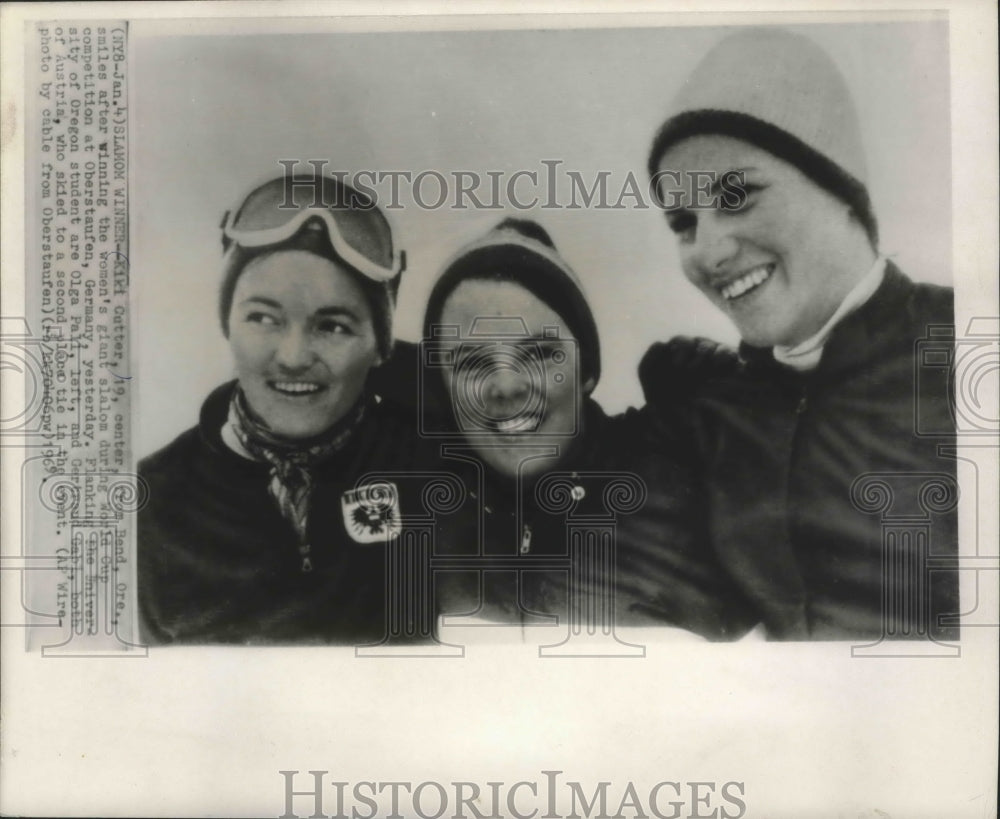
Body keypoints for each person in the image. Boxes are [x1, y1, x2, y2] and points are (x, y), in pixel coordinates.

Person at [640, 27, 959, 641]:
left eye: (738, 197)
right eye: (683, 222)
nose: (708, 250)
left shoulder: (965, 349)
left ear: (840, 190)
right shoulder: (716, 414)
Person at [377, 218, 756, 640]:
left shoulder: (679, 475)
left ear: (587, 371)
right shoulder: (425, 499)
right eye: (470, 361)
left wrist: (735, 393)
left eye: (539, 353)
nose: (506, 386)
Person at [137, 172, 444, 645]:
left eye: (334, 326)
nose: (294, 355)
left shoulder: (433, 466)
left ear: (379, 345)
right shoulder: (150, 507)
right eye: (262, 318)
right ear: (228, 325)